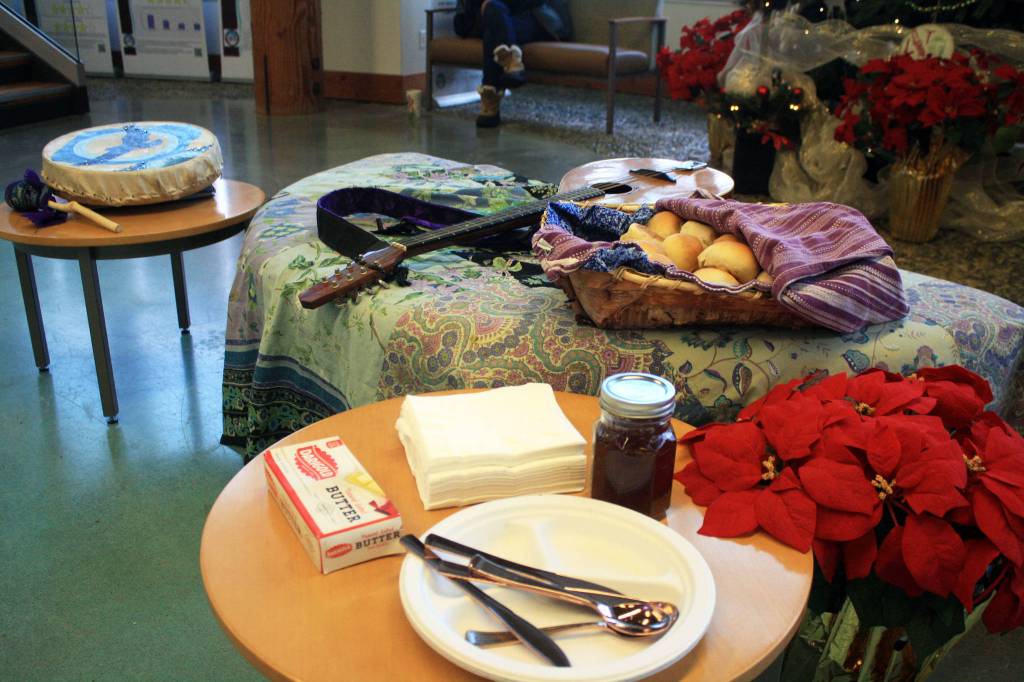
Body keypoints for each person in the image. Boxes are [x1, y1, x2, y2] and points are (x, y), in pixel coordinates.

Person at [454, 0, 572, 127]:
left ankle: (490, 103)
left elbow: (534, 4)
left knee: (494, 31)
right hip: (493, 19)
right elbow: (462, 23)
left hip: (536, 20)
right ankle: (512, 62)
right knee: (494, 11)